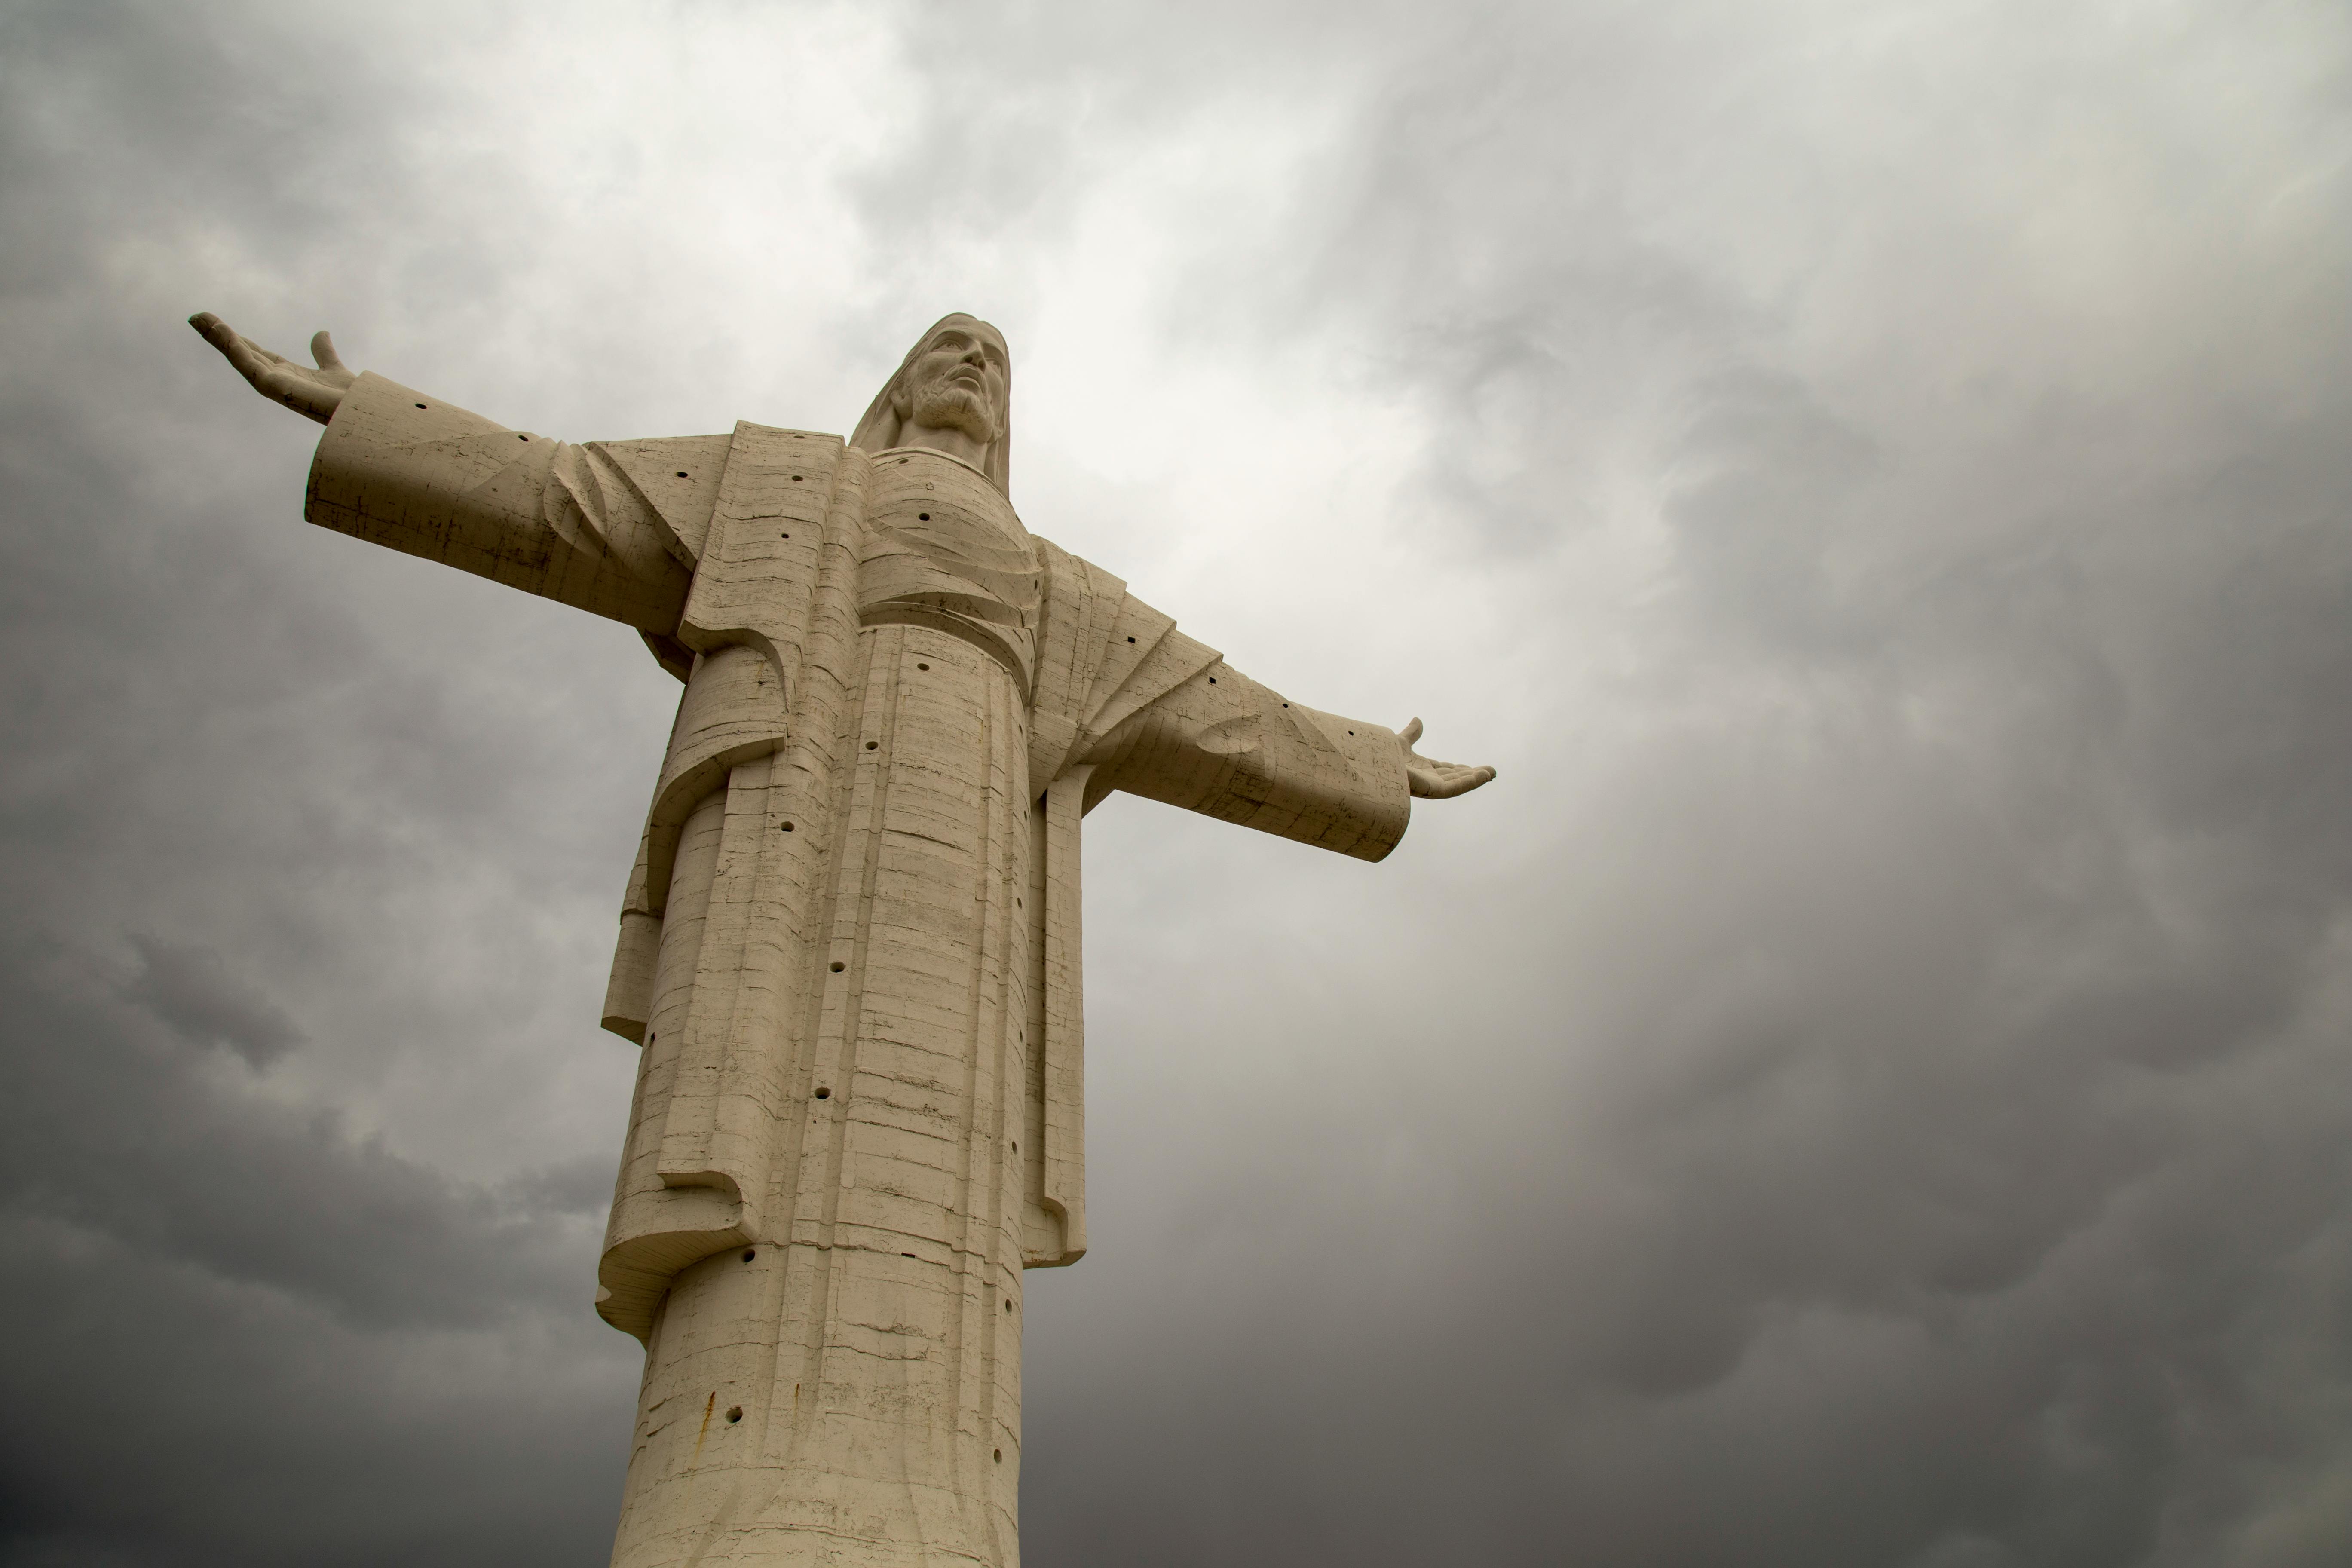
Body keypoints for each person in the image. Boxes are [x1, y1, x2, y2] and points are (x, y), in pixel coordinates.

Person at [190, 308, 1494, 1568]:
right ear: (901, 384)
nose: (973, 365)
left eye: (993, 356)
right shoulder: (787, 483)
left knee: (941, 1179)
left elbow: (1222, 711)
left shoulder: (1058, 587)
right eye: (948, 348)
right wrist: (373, 419)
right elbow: (573, 495)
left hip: (970, 832)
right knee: (763, 1127)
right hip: (800, 812)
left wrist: (1371, 762)